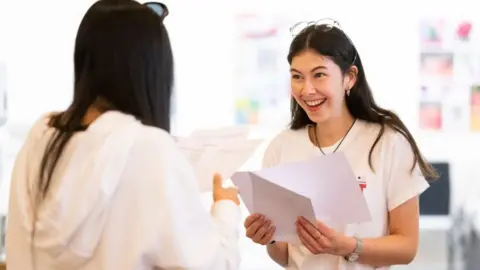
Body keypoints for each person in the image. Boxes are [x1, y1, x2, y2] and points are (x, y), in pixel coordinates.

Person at [5, 1, 241, 269]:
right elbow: (211, 264)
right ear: (153, 69)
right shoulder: (149, 148)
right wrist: (225, 208)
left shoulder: (42, 135)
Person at [243, 19, 438, 270]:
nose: (307, 89)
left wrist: (348, 246)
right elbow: (286, 256)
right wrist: (269, 237)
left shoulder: (387, 143)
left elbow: (407, 247)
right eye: (297, 77)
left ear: (349, 77)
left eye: (319, 75)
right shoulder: (281, 148)